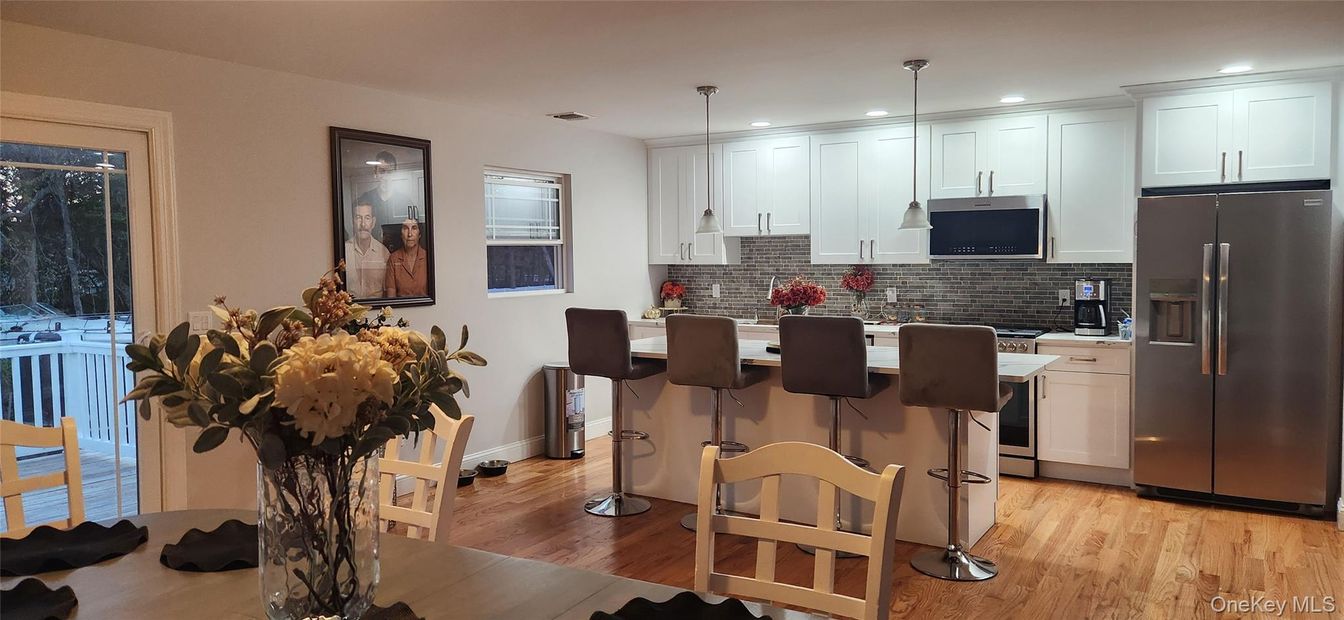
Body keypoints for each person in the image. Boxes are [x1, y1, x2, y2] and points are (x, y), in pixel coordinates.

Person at [343, 201, 389, 298]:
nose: (363, 224)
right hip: (349, 307)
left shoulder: (384, 253)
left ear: (373, 222)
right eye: (358, 218)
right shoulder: (344, 251)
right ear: (352, 221)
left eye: (367, 218)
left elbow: (387, 291)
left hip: (376, 307)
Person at [356, 150, 413, 221]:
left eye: (390, 172)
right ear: (375, 173)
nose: (386, 177)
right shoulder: (365, 199)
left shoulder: (405, 201)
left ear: (395, 174)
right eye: (382, 171)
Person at [385, 218, 429, 298]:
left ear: (419, 234)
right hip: (401, 306)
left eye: (414, 228)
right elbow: (391, 297)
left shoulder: (428, 258)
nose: (409, 234)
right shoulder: (393, 259)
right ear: (401, 235)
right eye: (405, 228)